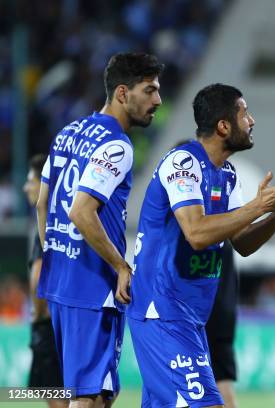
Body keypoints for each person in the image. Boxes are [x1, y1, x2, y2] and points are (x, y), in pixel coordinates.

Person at [127, 83, 275, 408]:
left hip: (191, 316)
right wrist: (259, 206)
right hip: (162, 311)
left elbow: (241, 243)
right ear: (223, 126)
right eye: (245, 113)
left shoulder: (226, 175)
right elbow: (197, 234)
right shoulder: (183, 163)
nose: (252, 120)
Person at [36, 53, 163, 408]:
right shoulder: (117, 145)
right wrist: (121, 266)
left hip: (62, 283)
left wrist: (56, 256)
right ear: (122, 93)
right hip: (92, 289)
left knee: (97, 394)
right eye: (149, 90)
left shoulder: (69, 132)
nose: (158, 101)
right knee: (89, 398)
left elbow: (41, 203)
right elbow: (81, 211)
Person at [24, 154, 68, 408]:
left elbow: (39, 273)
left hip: (48, 324)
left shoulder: (47, 224)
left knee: (55, 396)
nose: (26, 186)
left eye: (30, 180)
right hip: (60, 322)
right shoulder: (59, 219)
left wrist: (38, 317)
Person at [205, 240, 240, 408]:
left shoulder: (200, 230)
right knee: (221, 379)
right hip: (224, 313)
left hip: (203, 315)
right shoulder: (225, 232)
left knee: (212, 383)